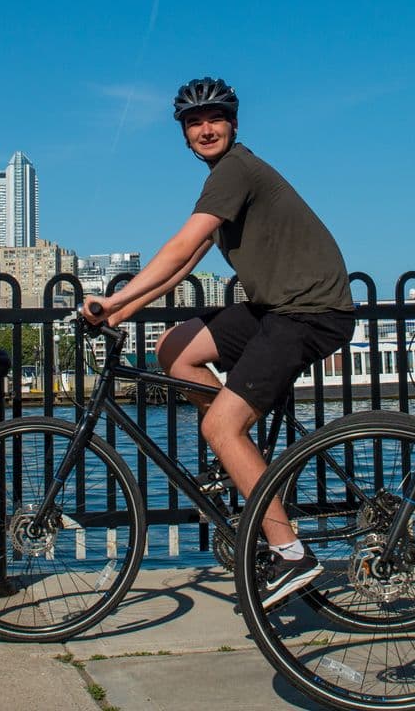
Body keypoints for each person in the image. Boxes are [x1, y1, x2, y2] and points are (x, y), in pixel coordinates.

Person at [80, 77, 354, 608]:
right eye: (194, 123)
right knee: (173, 348)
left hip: (309, 312)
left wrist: (112, 300)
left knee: (220, 426)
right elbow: (185, 264)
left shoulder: (236, 169)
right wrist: (123, 312)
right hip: (276, 307)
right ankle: (235, 454)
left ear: (233, 124)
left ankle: (292, 554)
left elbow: (180, 243)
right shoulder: (223, 181)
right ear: (184, 134)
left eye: (215, 119)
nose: (205, 130)